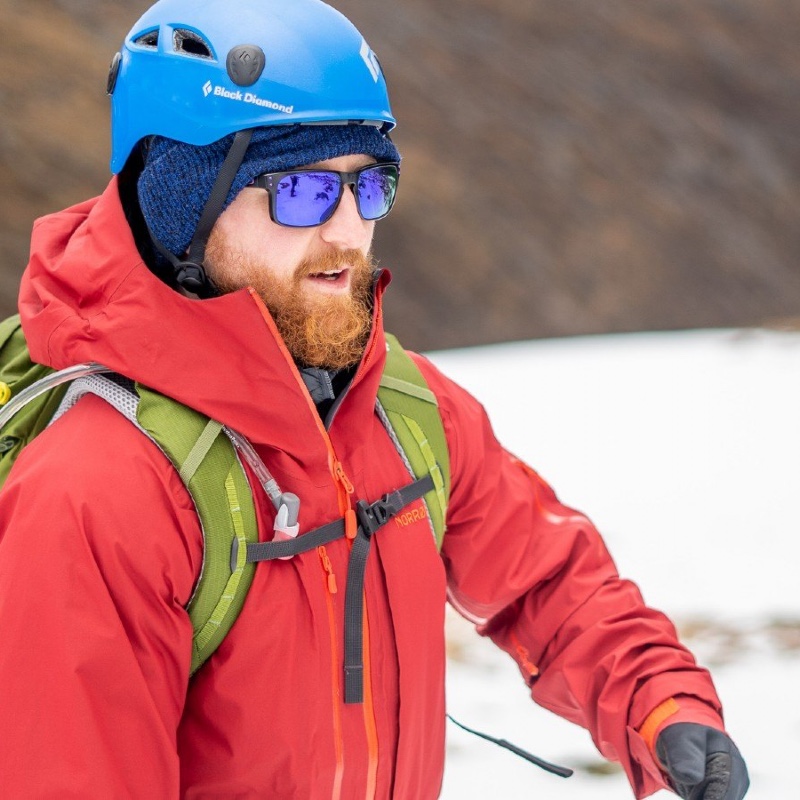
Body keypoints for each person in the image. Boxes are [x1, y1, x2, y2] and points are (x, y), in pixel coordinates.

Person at [0, 0, 749, 798]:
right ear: (182, 202)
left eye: (371, 186)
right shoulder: (97, 489)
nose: (348, 232)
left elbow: (544, 579)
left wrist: (658, 701)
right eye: (300, 192)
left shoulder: (396, 404)